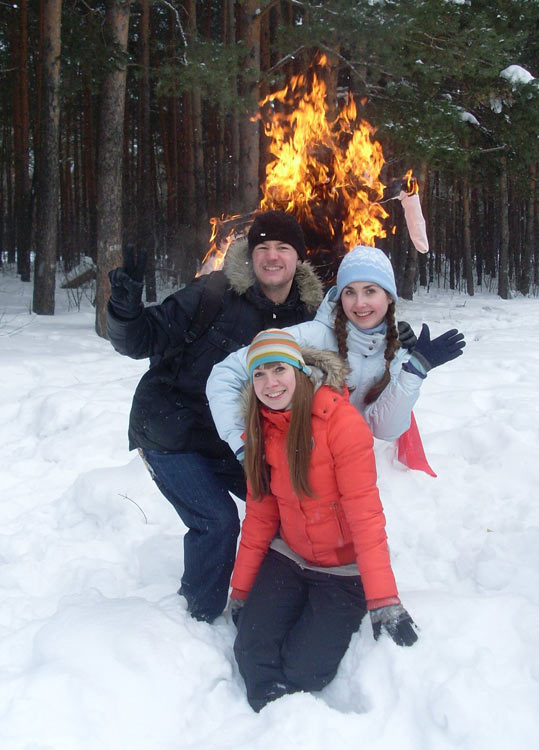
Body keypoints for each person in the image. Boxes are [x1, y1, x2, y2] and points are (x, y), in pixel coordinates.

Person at [106, 211, 323, 623]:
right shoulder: (213, 293)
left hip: (234, 440)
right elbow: (140, 339)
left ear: (299, 258)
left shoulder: (307, 316)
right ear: (251, 254)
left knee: (285, 506)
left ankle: (272, 601)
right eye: (263, 248)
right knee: (218, 522)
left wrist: (390, 344)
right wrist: (124, 306)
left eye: (283, 248)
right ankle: (196, 618)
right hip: (172, 431)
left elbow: (343, 355)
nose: (272, 257)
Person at [228, 329, 418, 712]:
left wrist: (383, 599)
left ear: (299, 370)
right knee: (250, 648)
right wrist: (241, 590)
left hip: (342, 570)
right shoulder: (261, 430)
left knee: (306, 669)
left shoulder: (340, 423)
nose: (270, 383)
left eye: (278, 369)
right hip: (290, 557)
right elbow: (260, 518)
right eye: (259, 374)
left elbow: (365, 515)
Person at [206, 244, 465, 459]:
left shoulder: (395, 352)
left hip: (353, 472)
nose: (360, 303)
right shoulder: (314, 335)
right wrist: (243, 444)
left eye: (370, 291)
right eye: (350, 292)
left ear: (389, 297)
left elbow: (384, 429)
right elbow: (226, 372)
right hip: (299, 470)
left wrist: (415, 370)